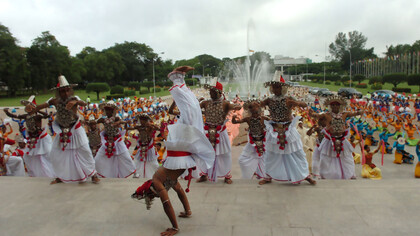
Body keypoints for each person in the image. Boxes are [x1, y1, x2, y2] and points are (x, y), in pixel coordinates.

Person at [131, 66, 214, 236]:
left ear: (151, 190)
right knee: (192, 113)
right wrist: (187, 211)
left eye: (153, 196)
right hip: (181, 154)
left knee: (191, 114)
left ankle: (177, 78)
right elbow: (181, 193)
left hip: (181, 153)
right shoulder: (168, 181)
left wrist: (175, 228)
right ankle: (178, 78)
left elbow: (167, 204)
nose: (158, 197)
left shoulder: (158, 181)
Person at [34, 75, 100, 184]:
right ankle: (60, 176)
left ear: (70, 90)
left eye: (67, 90)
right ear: (59, 92)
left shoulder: (75, 99)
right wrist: (34, 108)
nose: (65, 93)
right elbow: (41, 106)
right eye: (62, 91)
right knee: (56, 153)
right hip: (62, 130)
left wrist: (75, 103)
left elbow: (85, 103)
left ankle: (93, 174)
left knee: (85, 151)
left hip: (75, 129)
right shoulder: (54, 101)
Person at [259, 77, 316, 185]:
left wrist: (298, 104)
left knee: (297, 153)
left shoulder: (288, 98)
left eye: (278, 87)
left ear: (282, 88)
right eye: (274, 87)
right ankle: (267, 176)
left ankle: (305, 176)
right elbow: (258, 105)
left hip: (288, 129)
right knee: (271, 154)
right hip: (274, 129)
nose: (276, 89)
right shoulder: (269, 100)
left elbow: (302, 104)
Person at [197, 81, 241, 184]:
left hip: (220, 132)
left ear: (219, 93)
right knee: (204, 153)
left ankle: (227, 176)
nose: (211, 93)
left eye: (213, 91)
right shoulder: (205, 102)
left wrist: (236, 106)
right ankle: (203, 174)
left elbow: (234, 106)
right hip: (207, 131)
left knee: (224, 154)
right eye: (210, 91)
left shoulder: (225, 103)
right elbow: (195, 108)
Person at [310, 95, 363, 179]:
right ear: (330, 106)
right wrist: (312, 113)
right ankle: (324, 175)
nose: (335, 107)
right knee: (326, 159)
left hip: (342, 139)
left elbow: (354, 113)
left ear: (340, 106)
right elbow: (317, 115)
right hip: (329, 140)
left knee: (347, 158)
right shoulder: (326, 115)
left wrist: (359, 112)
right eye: (333, 105)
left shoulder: (344, 114)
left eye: (337, 105)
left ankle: (349, 174)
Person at [4, 96, 55, 177]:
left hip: (41, 139)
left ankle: (51, 173)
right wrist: (7, 113)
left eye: (30, 106)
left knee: (47, 155)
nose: (28, 108)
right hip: (32, 139)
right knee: (28, 157)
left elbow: (47, 116)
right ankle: (36, 173)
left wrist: (38, 109)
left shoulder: (37, 116)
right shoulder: (26, 116)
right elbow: (16, 116)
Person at [95, 101, 136, 178]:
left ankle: (134, 171)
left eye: (109, 110)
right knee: (98, 157)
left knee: (125, 156)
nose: (107, 112)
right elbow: (96, 122)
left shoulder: (116, 118)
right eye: (106, 110)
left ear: (113, 111)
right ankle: (96, 172)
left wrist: (120, 122)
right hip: (107, 140)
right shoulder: (103, 119)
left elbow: (122, 122)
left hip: (117, 140)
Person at [232, 99, 268, 179]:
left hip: (263, 142)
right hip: (252, 143)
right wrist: (233, 118)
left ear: (259, 111)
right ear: (250, 112)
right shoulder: (248, 119)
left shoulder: (263, 118)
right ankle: (251, 172)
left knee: (264, 159)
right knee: (242, 160)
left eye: (256, 112)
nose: (255, 115)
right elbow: (235, 122)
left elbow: (273, 122)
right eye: (253, 113)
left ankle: (263, 175)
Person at [128, 114, 159, 179]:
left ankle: (157, 176)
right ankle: (139, 175)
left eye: (144, 120)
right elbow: (129, 128)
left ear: (146, 120)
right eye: (141, 119)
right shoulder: (138, 127)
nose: (142, 121)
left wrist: (152, 125)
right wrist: (126, 124)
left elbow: (159, 128)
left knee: (153, 163)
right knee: (139, 163)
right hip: (141, 147)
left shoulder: (150, 127)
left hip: (149, 148)